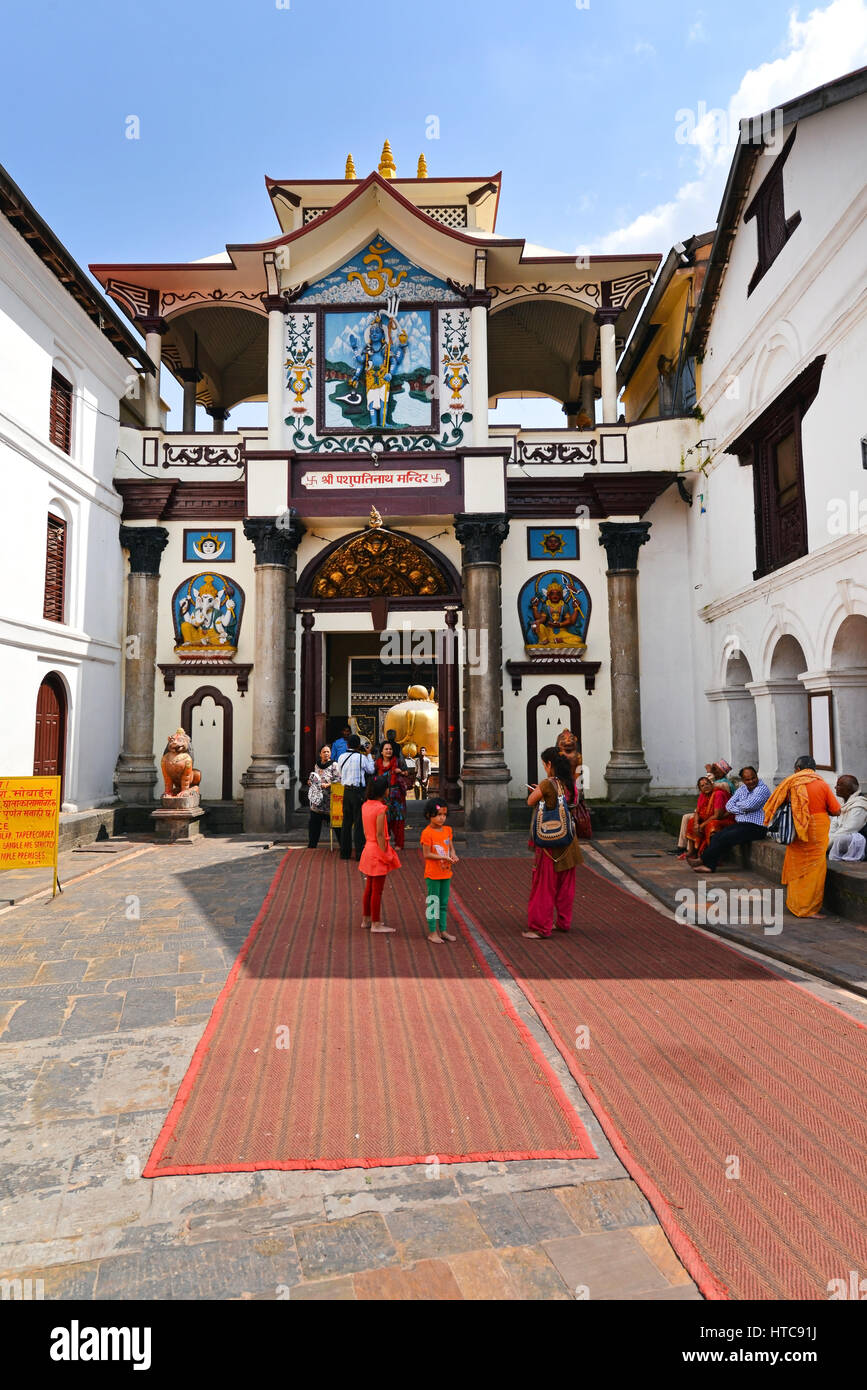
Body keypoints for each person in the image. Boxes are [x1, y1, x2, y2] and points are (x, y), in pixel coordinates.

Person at [763, 756, 841, 917]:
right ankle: (807, 909)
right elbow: (836, 810)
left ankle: (795, 904)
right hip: (817, 830)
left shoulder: (790, 783)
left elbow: (775, 804)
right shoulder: (821, 784)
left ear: (798, 769)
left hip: (797, 829)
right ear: (813, 769)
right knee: (814, 871)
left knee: (796, 867)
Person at [524, 746, 583, 939]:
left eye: (544, 764)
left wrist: (538, 790)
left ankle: (541, 927)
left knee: (544, 885)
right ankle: (563, 922)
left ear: (549, 764)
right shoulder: (572, 784)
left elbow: (531, 801)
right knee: (566, 886)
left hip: (550, 842)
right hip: (569, 841)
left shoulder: (548, 783)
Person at [689, 766, 770, 873]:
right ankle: (710, 866)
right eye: (747, 779)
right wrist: (742, 807)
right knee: (718, 836)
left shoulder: (762, 789)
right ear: (743, 780)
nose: (751, 781)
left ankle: (702, 860)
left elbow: (750, 805)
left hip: (757, 827)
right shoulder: (742, 789)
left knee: (726, 837)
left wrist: (739, 807)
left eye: (753, 778)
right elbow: (729, 805)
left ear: (756, 776)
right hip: (742, 824)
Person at [359, 775, 400, 933]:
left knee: (369, 887)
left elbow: (366, 830)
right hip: (377, 849)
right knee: (377, 889)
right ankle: (375, 923)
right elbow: (381, 835)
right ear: (384, 791)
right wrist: (386, 853)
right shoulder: (381, 809)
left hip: (368, 848)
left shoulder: (365, 806)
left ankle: (366, 918)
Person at [419, 799, 459, 944]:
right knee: (433, 902)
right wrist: (443, 857)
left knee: (443, 902)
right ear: (429, 815)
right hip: (433, 874)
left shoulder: (447, 830)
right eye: (438, 814)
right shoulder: (427, 833)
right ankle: (432, 932)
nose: (442, 818)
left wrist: (453, 855)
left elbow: (451, 847)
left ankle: (442, 930)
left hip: (446, 873)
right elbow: (426, 854)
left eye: (444, 814)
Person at [675, 775, 732, 858]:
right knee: (691, 821)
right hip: (709, 818)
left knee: (711, 825)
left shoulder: (718, 794)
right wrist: (696, 823)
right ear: (700, 789)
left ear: (711, 784)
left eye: (707, 784)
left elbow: (717, 815)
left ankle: (711, 854)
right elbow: (697, 812)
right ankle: (691, 851)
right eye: (702, 786)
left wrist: (702, 825)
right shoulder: (702, 795)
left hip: (724, 819)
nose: (705, 786)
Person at [338, 734, 374, 861]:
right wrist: (369, 754)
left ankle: (345, 853)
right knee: (359, 823)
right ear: (359, 745)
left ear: (347, 745)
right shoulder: (361, 758)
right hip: (358, 792)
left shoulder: (341, 757)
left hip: (346, 792)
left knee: (346, 823)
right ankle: (359, 853)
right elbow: (371, 770)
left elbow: (339, 774)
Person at [374, 740, 409, 849]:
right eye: (386, 749)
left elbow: (407, 773)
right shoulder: (377, 764)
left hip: (397, 795)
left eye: (390, 749)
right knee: (384, 819)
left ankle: (399, 843)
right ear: (382, 752)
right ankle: (385, 841)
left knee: (398, 820)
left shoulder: (398, 761)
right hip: (383, 796)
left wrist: (401, 772)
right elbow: (374, 777)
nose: (389, 751)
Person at [828, 775, 867, 862]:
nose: (835, 787)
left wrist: (825, 846)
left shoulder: (860, 805)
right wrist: (825, 841)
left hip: (860, 842)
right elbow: (833, 827)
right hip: (840, 839)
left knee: (842, 839)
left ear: (848, 790)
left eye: (839, 785)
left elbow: (848, 830)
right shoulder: (843, 804)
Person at [306, 745, 337, 849]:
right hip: (317, 801)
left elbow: (339, 780)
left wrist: (328, 785)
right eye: (324, 752)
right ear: (320, 754)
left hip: (330, 801)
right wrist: (311, 782)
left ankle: (343, 846)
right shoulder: (317, 765)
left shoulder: (334, 765)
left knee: (336, 825)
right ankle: (312, 845)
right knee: (314, 824)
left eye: (328, 752)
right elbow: (315, 777)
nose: (326, 754)